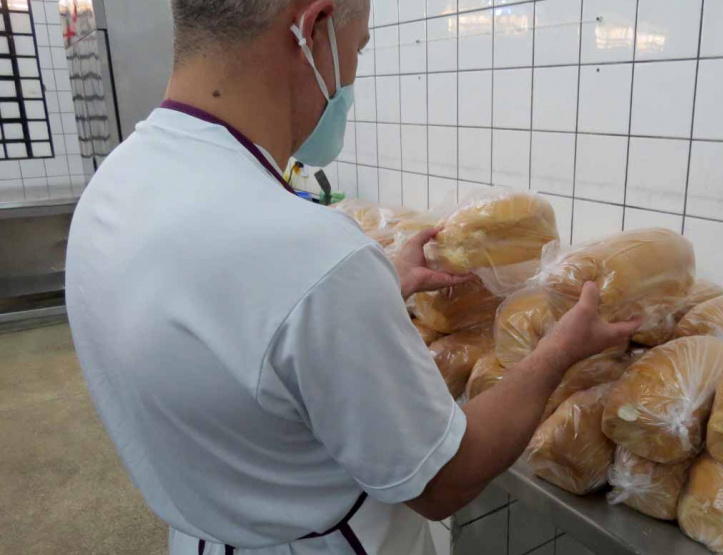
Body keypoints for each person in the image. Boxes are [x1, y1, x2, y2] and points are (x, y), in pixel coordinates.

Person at [65, 1, 640, 554]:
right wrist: (560, 348)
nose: (353, 75)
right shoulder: (311, 253)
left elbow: (228, 328)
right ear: (312, 28)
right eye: (358, 45)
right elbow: (445, 479)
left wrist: (377, 281)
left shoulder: (116, 184)